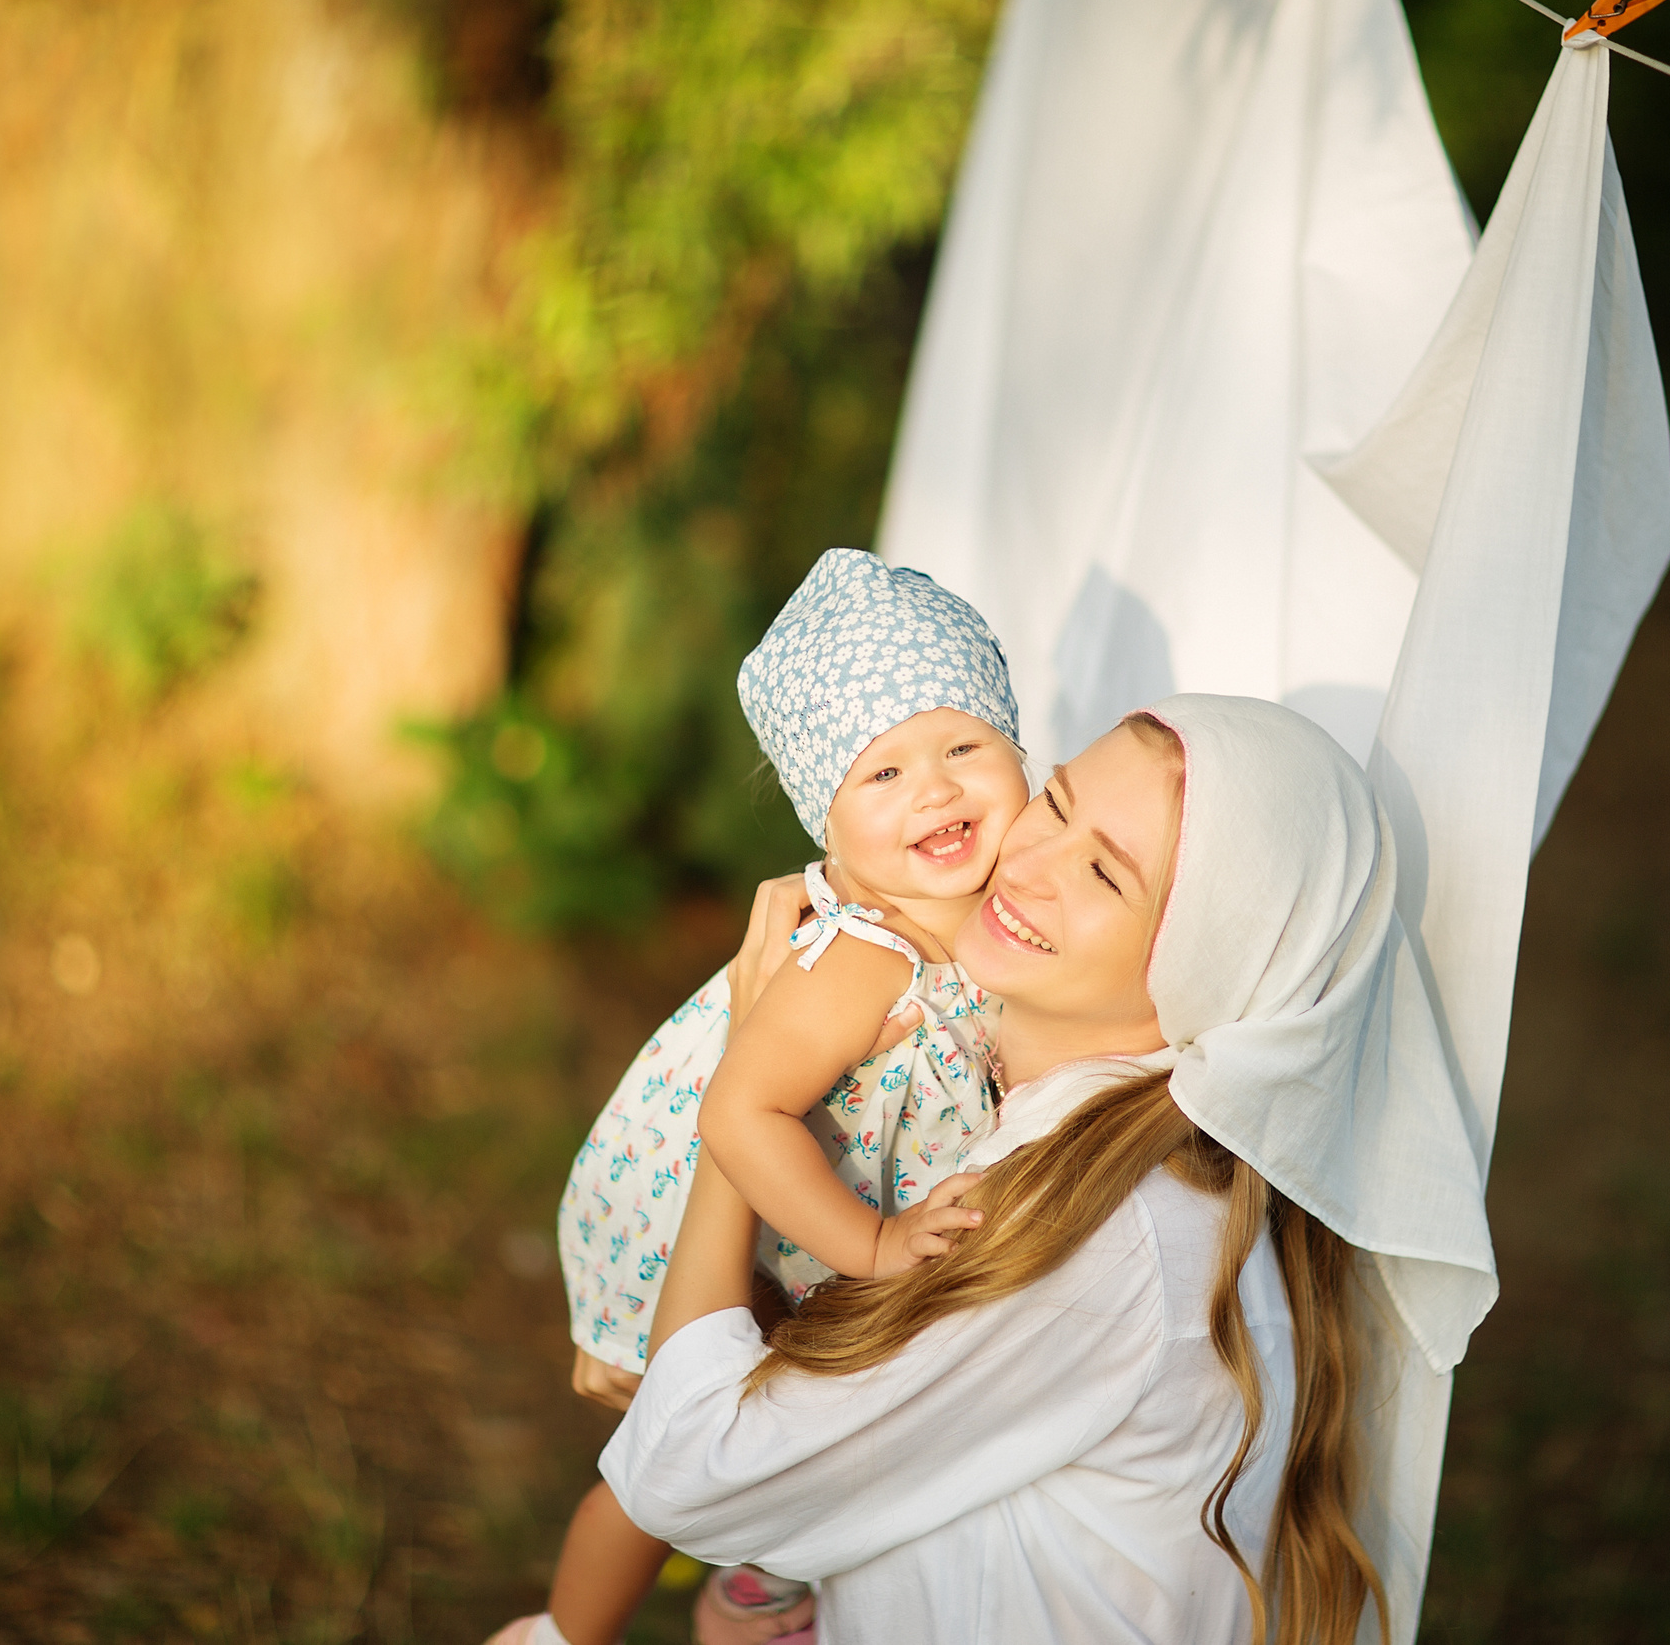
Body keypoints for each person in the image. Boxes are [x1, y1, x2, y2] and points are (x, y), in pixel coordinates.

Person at [601, 695, 1412, 1645]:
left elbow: (689, 1466)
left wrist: (744, 1086)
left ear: (1213, 965)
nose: (1025, 865)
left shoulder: (1092, 1231)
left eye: (1106, 875)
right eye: (1058, 804)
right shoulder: (1029, 1122)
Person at [522, 549, 1033, 1645]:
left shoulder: (980, 914)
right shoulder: (862, 957)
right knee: (664, 1480)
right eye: (881, 774)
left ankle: (763, 1583)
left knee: (788, 1443)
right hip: (729, 1229)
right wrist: (880, 1244)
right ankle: (562, 1635)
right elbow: (736, 1114)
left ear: (1018, 749)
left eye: (962, 745)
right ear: (824, 821)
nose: (935, 787)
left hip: (804, 1231)